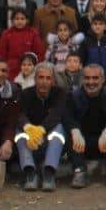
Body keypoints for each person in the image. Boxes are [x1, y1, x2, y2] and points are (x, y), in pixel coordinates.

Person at [63, 64, 106, 188]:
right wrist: (75, 131)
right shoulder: (73, 96)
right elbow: (67, 117)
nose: (91, 82)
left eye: (95, 78)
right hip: (82, 142)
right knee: (70, 135)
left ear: (103, 79)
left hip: (104, 142)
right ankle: (79, 171)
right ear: (82, 79)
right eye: (87, 78)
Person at [14, 63, 66, 191]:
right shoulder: (26, 94)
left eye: (48, 78)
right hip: (30, 141)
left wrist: (41, 129)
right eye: (41, 77)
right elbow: (18, 113)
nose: (44, 82)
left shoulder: (60, 93)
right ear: (35, 79)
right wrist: (28, 127)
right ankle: (30, 172)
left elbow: (57, 114)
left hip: (48, 138)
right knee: (19, 132)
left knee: (59, 128)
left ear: (53, 81)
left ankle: (49, 172)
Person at [0, 9, 46, 81]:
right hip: (11, 71)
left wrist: (34, 67)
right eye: (17, 19)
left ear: (27, 20)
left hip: (30, 70)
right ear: (12, 20)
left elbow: (39, 53)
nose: (19, 21)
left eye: (22, 19)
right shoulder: (6, 34)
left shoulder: (33, 33)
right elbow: (1, 54)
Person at [80, 14, 106, 85]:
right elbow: (81, 61)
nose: (97, 26)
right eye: (95, 24)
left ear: (105, 26)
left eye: (101, 24)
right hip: (91, 80)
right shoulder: (85, 42)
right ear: (91, 26)